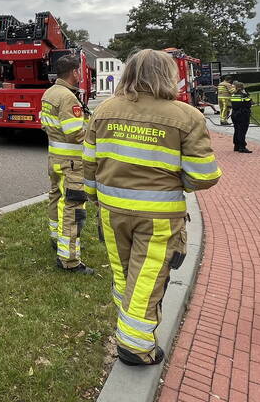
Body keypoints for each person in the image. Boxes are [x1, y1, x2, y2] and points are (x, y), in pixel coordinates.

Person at [83, 49, 221, 365]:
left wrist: (94, 197)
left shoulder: (104, 110)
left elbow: (89, 163)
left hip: (111, 212)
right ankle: (135, 346)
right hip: (158, 217)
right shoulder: (186, 116)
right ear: (168, 75)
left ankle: (129, 323)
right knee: (146, 278)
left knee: (124, 274)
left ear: (128, 74)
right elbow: (205, 176)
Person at [40, 55, 92, 274]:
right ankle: (69, 259)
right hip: (72, 162)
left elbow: (46, 125)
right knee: (72, 205)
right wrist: (94, 133)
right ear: (73, 72)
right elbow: (74, 133)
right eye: (79, 71)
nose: (80, 75)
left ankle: (56, 238)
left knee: (56, 197)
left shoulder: (49, 92)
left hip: (55, 158)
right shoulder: (68, 97)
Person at [230, 82, 253, 153]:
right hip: (243, 114)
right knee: (242, 131)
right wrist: (246, 94)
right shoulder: (244, 95)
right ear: (242, 88)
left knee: (236, 130)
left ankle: (236, 146)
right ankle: (242, 147)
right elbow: (249, 104)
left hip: (234, 114)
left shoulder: (233, 95)